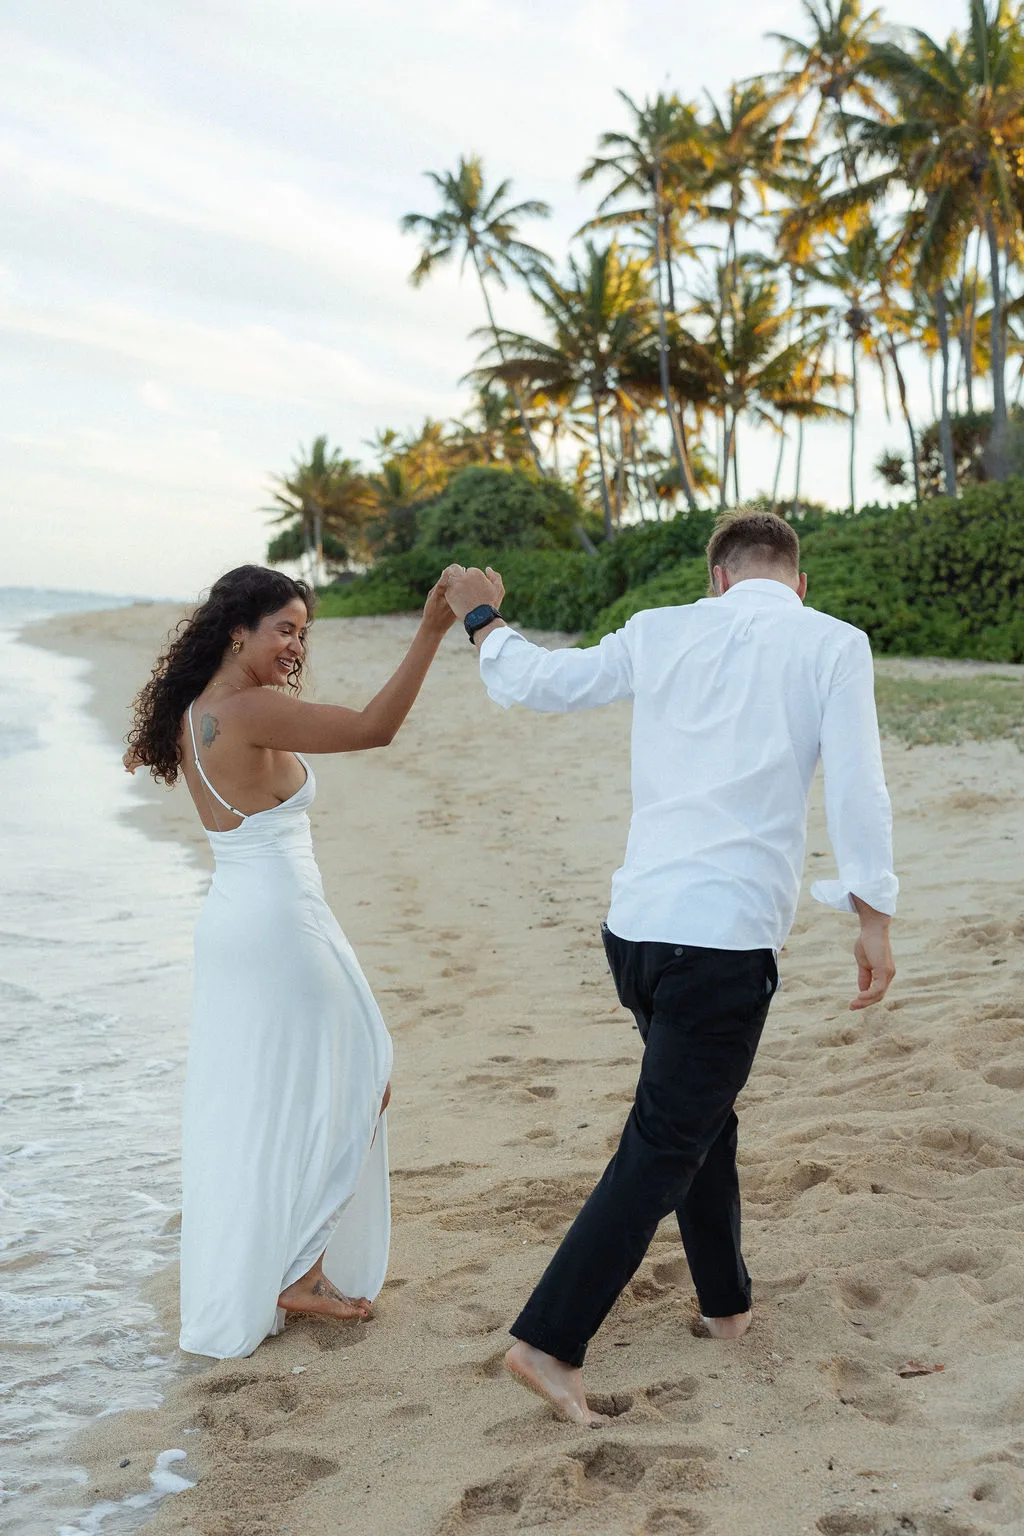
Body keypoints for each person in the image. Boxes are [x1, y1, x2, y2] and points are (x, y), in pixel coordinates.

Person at [443, 511, 897, 1428]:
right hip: (723, 945)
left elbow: (542, 683)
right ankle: (549, 1341)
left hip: (637, 931)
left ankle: (726, 1307)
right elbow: (858, 783)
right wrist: (871, 917)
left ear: (718, 577)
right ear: (796, 582)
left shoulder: (660, 628)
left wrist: (484, 621)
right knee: (666, 1141)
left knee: (700, 1117)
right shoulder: (834, 644)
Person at [124, 562, 459, 1358]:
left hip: (238, 920)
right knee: (361, 1070)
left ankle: (291, 1263)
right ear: (237, 630)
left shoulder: (195, 711)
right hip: (280, 923)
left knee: (272, 1100)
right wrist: (432, 632)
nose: (295, 645)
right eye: (285, 628)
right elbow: (377, 727)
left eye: (303, 632)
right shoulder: (252, 710)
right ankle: (299, 1267)